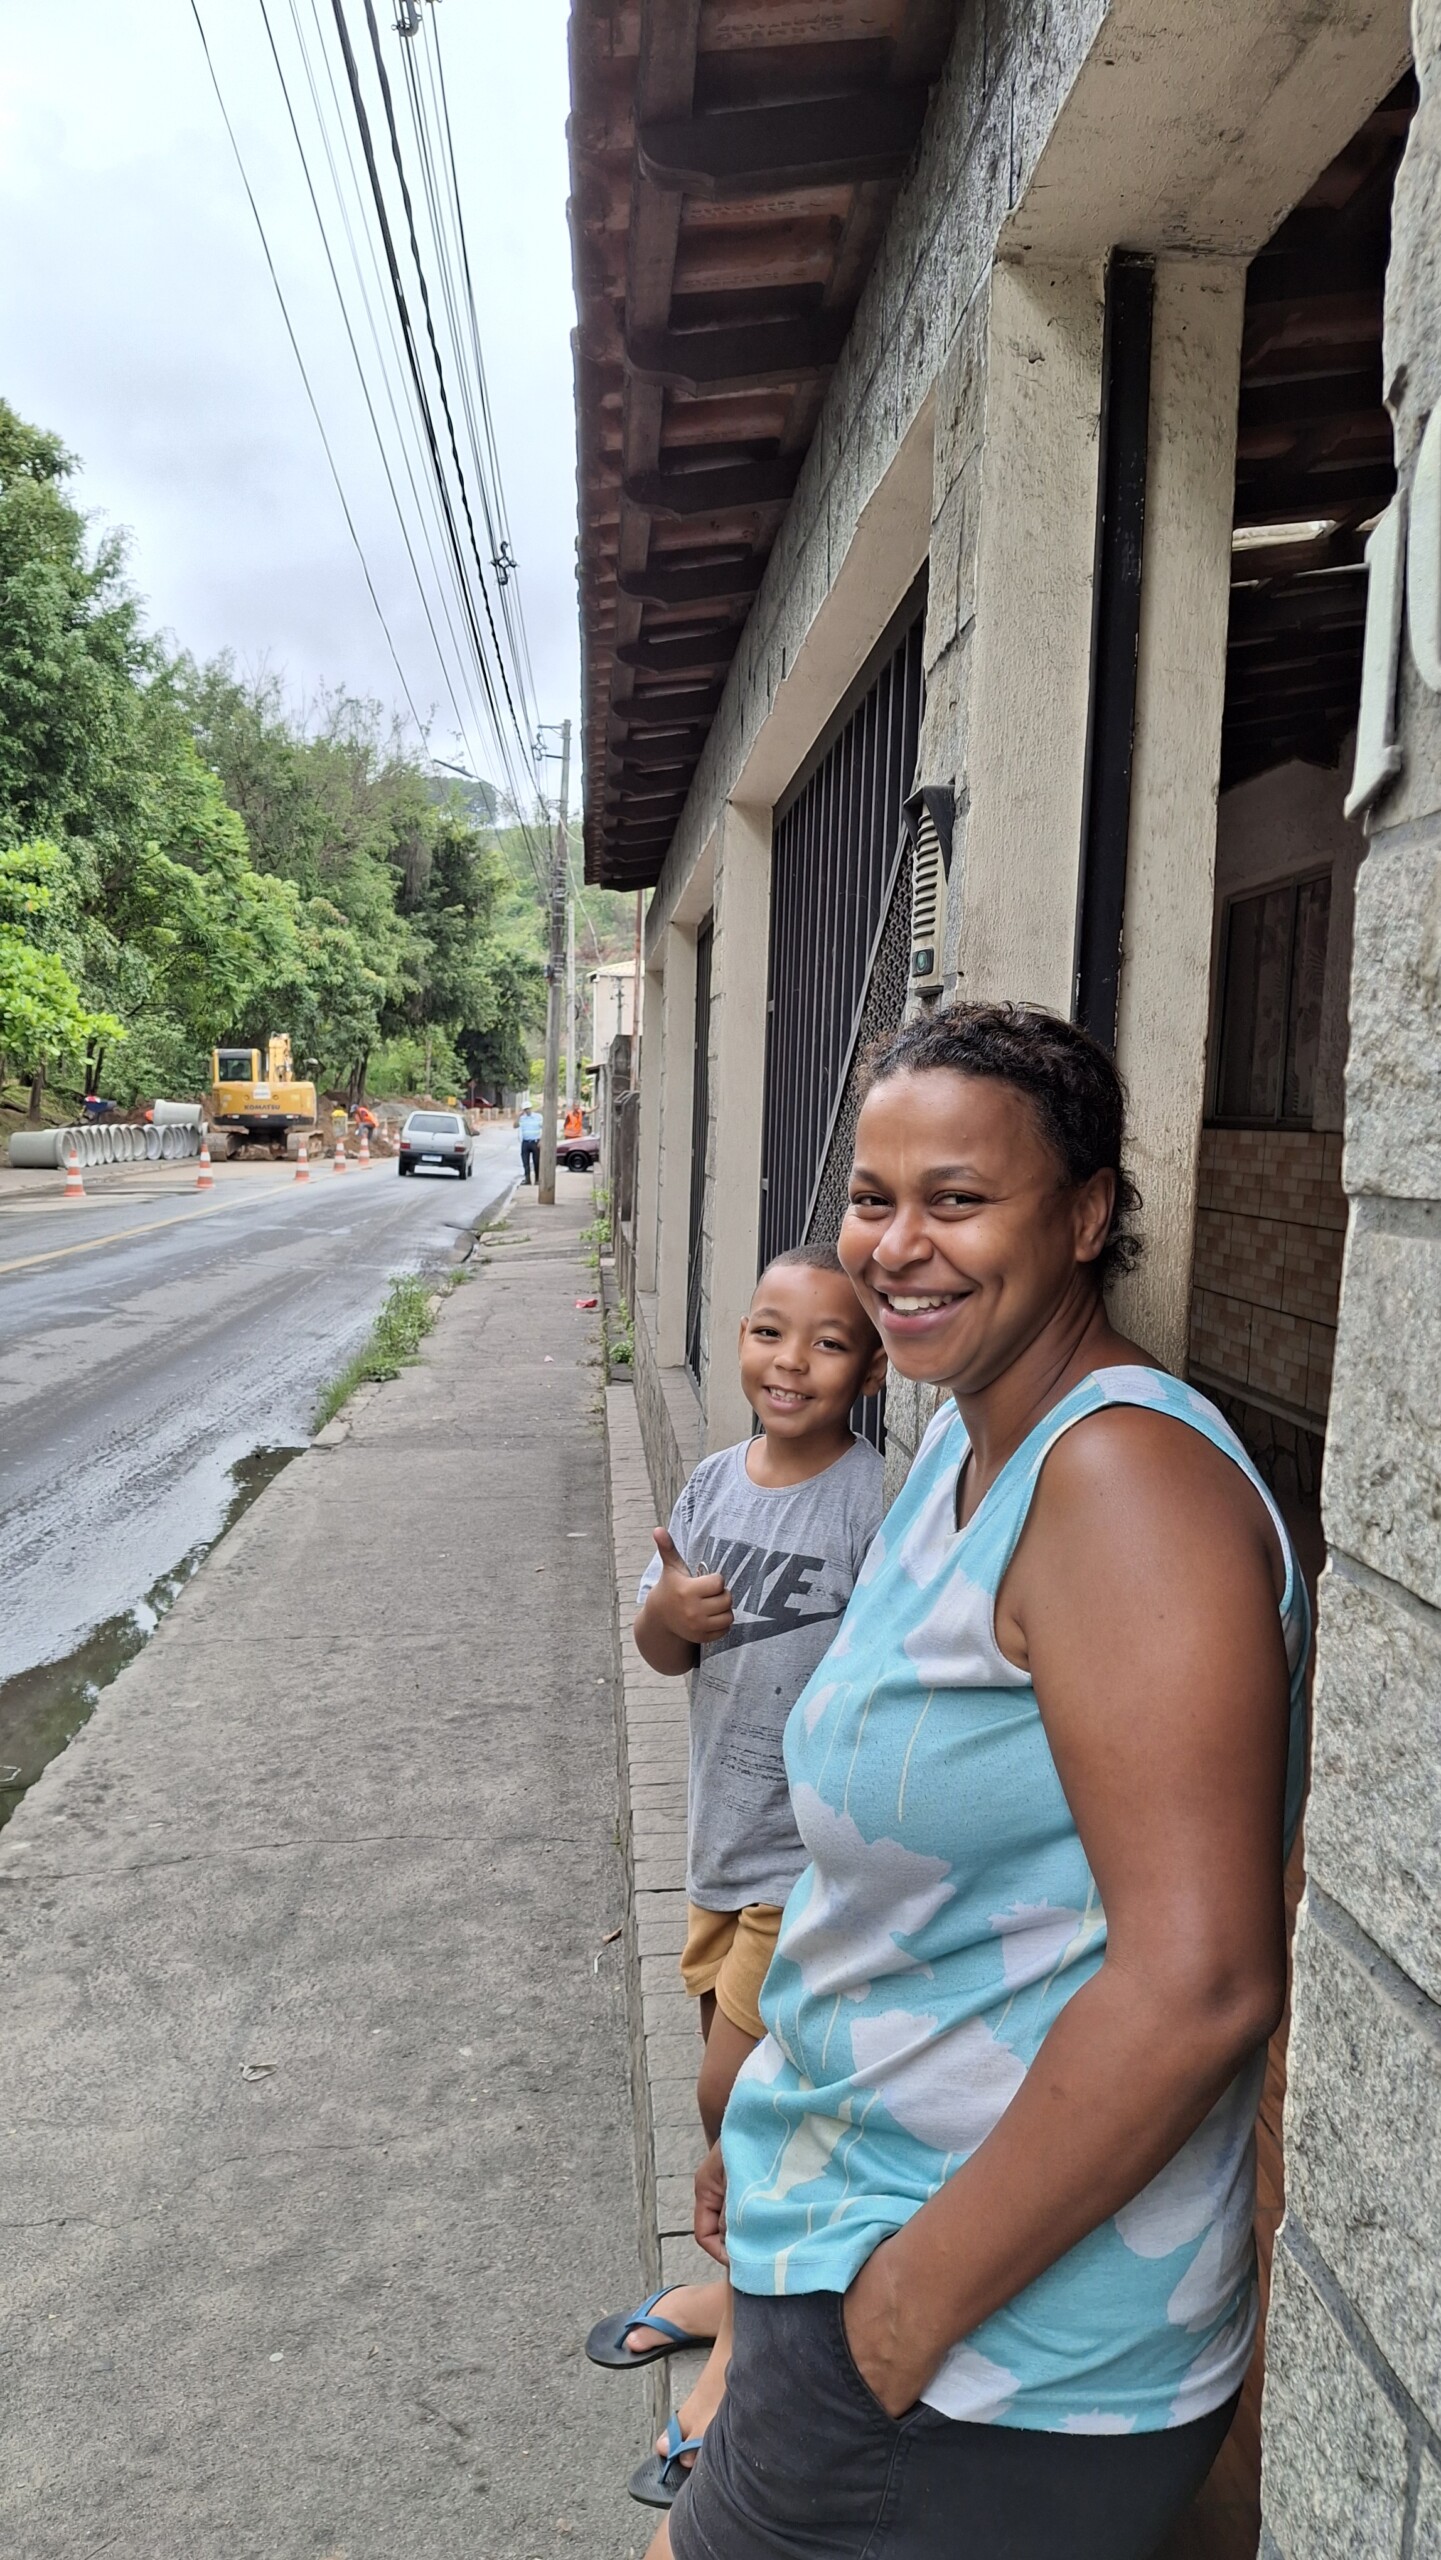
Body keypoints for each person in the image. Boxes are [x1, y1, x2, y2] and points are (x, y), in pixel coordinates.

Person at [652, 1003, 1311, 2560]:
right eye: (873, 1200)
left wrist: (890, 2322)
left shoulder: (1125, 1488)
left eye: (957, 1199)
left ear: (1085, 1216)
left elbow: (1202, 1983)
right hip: (861, 2246)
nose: (897, 1246)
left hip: (990, 2366)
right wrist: (762, 2123)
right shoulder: (961, 1451)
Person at [587, 1244, 887, 2508]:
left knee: (735, 2094)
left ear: (870, 1366)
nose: (787, 1362)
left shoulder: (880, 1500)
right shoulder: (711, 1484)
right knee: (726, 2064)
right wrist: (674, 1614)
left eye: (826, 1341)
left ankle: (754, 2341)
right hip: (718, 1842)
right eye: (768, 1333)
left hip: (806, 1861)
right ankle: (735, 2280)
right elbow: (658, 1653)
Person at [517, 1103, 542, 1186]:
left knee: (536, 1162)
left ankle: (537, 1179)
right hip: (525, 1142)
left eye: (528, 1109)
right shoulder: (522, 1118)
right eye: (525, 1109)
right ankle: (527, 1179)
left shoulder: (538, 1117)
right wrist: (518, 1116)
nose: (527, 1111)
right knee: (525, 1162)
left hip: (535, 1142)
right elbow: (515, 1125)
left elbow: (544, 1128)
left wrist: (541, 1140)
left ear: (531, 1108)